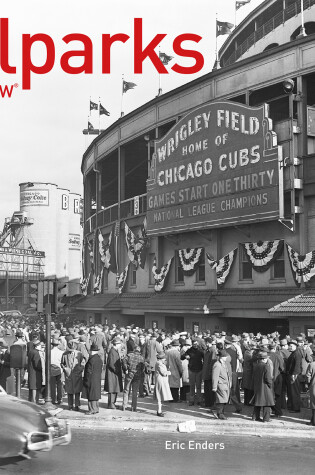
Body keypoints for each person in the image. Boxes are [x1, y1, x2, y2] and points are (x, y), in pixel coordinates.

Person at [251, 351, 274, 423]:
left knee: (258, 401)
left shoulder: (255, 365)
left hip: (257, 385)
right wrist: (270, 385)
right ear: (264, 359)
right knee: (267, 403)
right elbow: (268, 378)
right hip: (265, 386)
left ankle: (255, 416)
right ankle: (266, 418)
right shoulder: (265, 366)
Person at [61, 340, 85, 411]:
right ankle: (70, 405)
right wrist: (65, 368)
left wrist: (80, 369)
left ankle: (77, 405)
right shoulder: (65, 354)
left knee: (77, 391)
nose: (71, 351)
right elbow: (62, 363)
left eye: (73, 350)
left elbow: (83, 363)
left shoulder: (79, 354)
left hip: (77, 375)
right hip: (69, 376)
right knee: (69, 391)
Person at [181, 338, 204, 406]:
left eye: (196, 344)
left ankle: (199, 400)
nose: (195, 345)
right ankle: (192, 400)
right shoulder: (189, 350)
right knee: (192, 386)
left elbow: (205, 359)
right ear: (192, 344)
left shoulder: (201, 350)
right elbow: (181, 357)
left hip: (199, 369)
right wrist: (185, 356)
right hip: (191, 370)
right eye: (194, 344)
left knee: (199, 386)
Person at [122, 345, 144, 412]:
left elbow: (123, 361)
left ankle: (124, 406)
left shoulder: (129, 355)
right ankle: (133, 407)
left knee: (126, 390)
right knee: (135, 392)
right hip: (137, 376)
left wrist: (126, 369)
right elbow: (143, 368)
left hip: (129, 374)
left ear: (134, 350)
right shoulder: (141, 358)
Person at [83, 342, 102, 415]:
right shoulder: (98, 358)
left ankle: (91, 409)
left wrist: (86, 380)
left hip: (91, 379)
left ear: (91, 351)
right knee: (95, 395)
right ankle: (96, 408)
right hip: (97, 379)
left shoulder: (91, 359)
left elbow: (88, 371)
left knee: (90, 395)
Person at [212, 349, 232, 420]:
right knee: (222, 399)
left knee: (224, 400)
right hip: (220, 385)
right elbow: (215, 376)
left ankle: (220, 413)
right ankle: (219, 413)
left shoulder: (223, 364)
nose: (226, 357)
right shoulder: (217, 365)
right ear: (221, 357)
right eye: (224, 356)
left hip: (225, 385)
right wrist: (214, 386)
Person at [104, 337, 123, 409]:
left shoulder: (114, 351)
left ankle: (113, 403)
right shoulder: (112, 352)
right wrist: (117, 371)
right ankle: (111, 404)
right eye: (120, 344)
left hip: (114, 373)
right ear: (116, 344)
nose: (120, 345)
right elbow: (111, 363)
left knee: (115, 388)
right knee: (112, 389)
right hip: (113, 373)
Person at [154, 351, 172, 417]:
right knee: (160, 396)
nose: (165, 359)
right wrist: (169, 372)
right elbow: (163, 373)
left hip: (160, 380)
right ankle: (159, 411)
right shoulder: (160, 364)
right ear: (161, 358)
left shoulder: (159, 363)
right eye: (164, 358)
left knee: (160, 396)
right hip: (161, 381)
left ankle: (159, 410)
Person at [202, 336, 217, 408]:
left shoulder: (213, 350)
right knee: (206, 389)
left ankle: (211, 403)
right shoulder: (208, 350)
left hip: (209, 373)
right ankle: (207, 403)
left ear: (207, 343)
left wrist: (210, 373)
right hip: (206, 373)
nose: (204, 344)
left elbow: (213, 363)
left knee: (210, 389)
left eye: (205, 342)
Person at [50, 338, 64, 405]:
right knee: (59, 385)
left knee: (52, 385)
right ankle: (59, 399)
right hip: (59, 369)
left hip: (51, 369)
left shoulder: (49, 352)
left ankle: (53, 399)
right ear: (58, 345)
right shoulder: (61, 352)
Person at [305, 348, 315, 426]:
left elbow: (308, 376)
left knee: (313, 404)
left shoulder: (312, 365)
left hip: (314, 386)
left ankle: (313, 421)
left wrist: (307, 384)